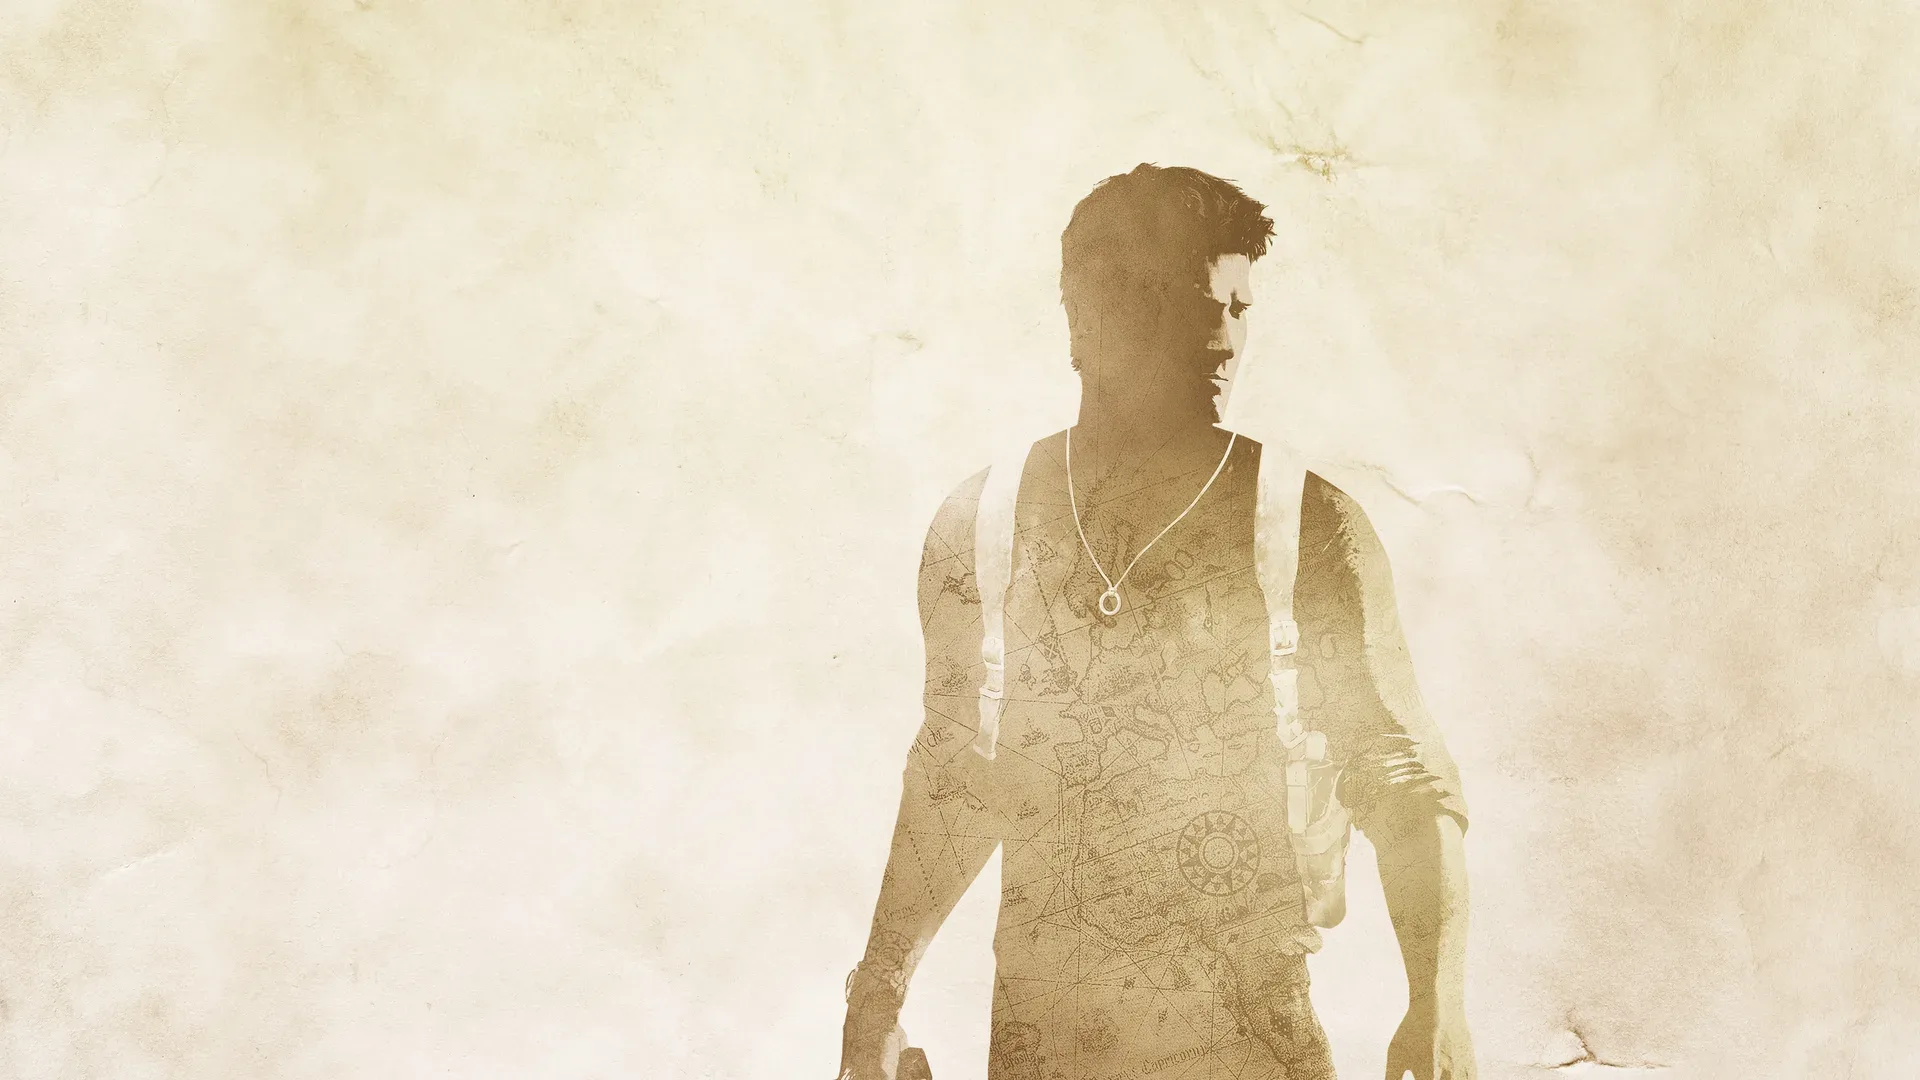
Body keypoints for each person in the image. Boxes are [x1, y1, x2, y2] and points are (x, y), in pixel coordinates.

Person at [838, 164, 1475, 1080]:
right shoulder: (986, 527)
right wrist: (877, 998)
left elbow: (1401, 774)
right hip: (1041, 1050)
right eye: (1187, 304)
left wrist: (1437, 1003)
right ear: (1084, 316)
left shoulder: (1304, 525)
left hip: (1251, 1046)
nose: (1223, 340)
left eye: (1239, 309)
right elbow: (955, 775)